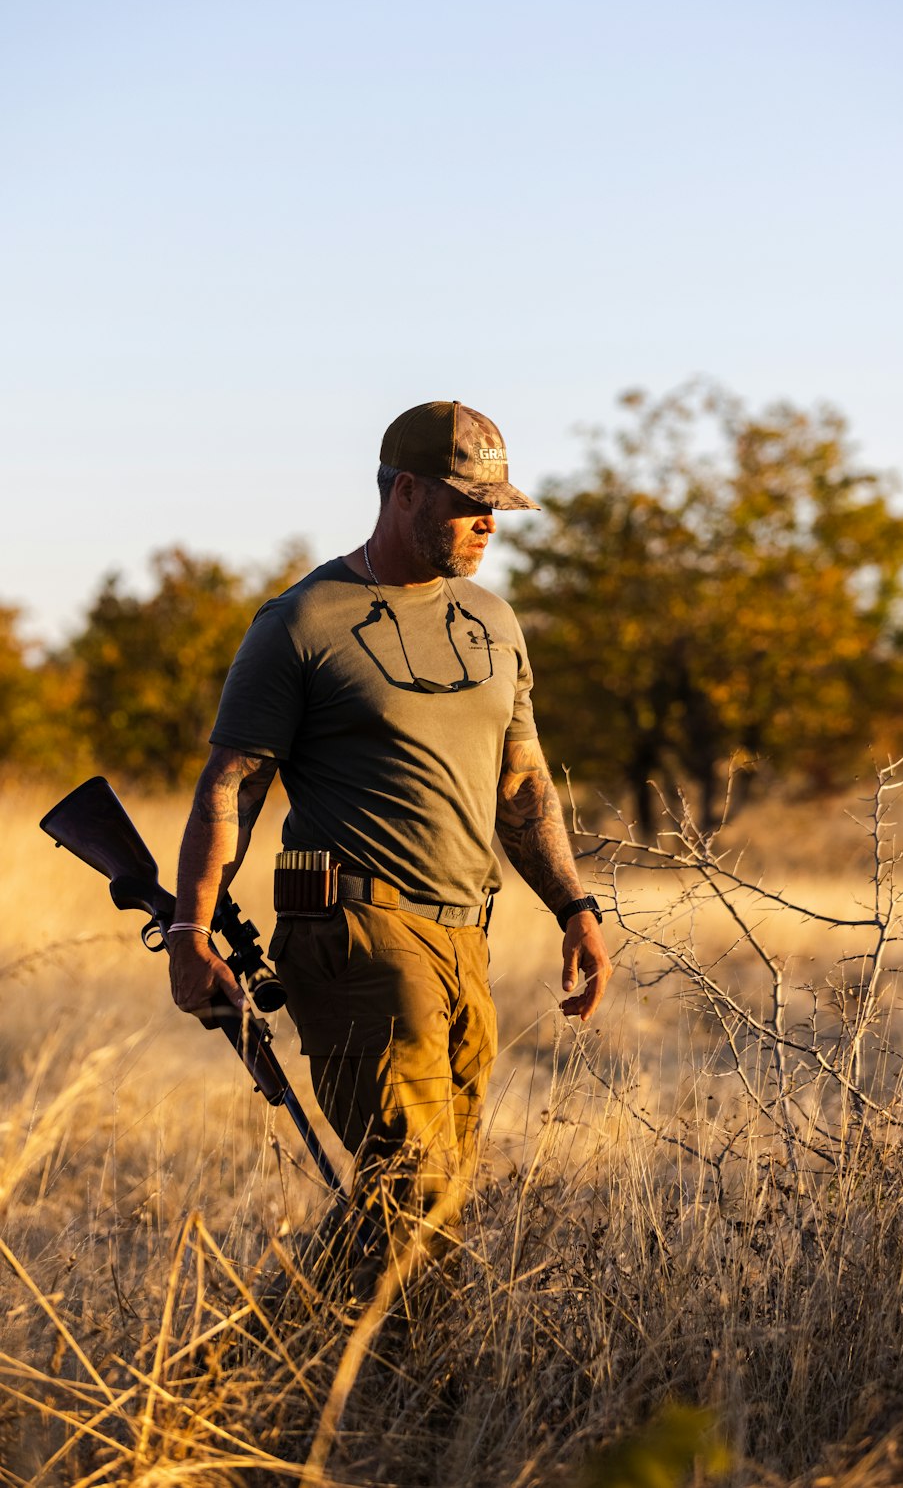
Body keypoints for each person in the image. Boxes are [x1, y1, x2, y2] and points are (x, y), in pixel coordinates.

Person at [167, 399, 612, 1253]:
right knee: (416, 1179)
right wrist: (191, 928)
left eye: (496, 506)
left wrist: (576, 908)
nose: (488, 523)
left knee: (433, 1204)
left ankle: (346, 1376)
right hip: (356, 930)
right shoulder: (301, 621)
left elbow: (523, 786)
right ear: (404, 491)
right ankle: (286, 1369)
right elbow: (234, 785)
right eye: (466, 503)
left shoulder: (493, 620)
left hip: (464, 936)